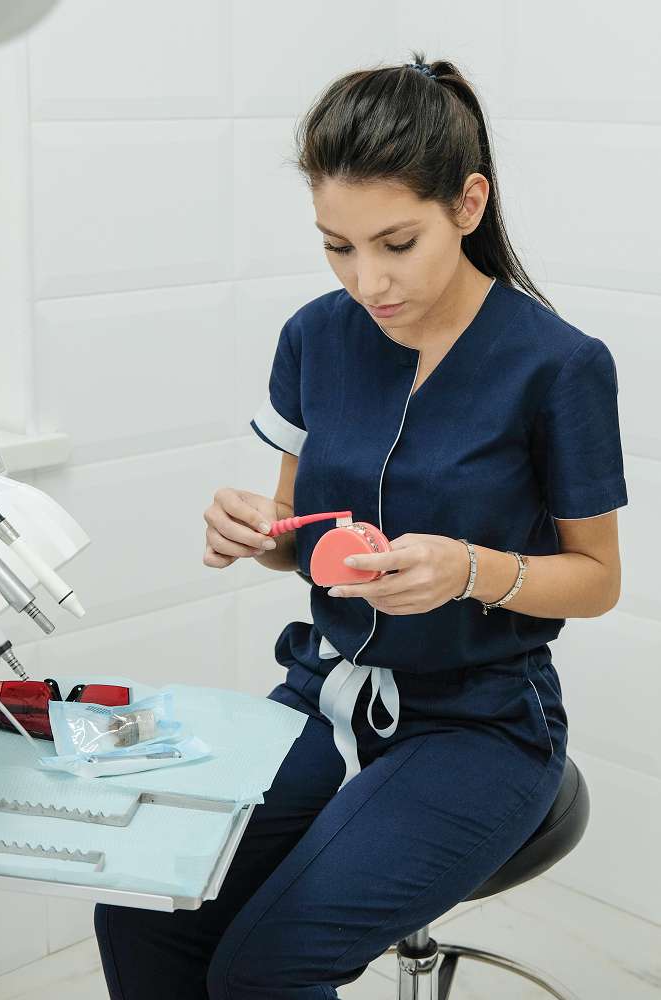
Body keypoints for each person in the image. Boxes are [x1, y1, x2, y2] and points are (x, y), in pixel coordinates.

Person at [94, 51, 627, 999]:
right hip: (323, 692)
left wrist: (468, 569)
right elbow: (298, 536)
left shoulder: (559, 366)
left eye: (395, 243)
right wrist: (258, 531)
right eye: (336, 246)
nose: (366, 280)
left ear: (467, 204)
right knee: (142, 903)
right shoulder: (315, 336)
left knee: (268, 966)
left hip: (481, 724)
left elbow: (596, 580)